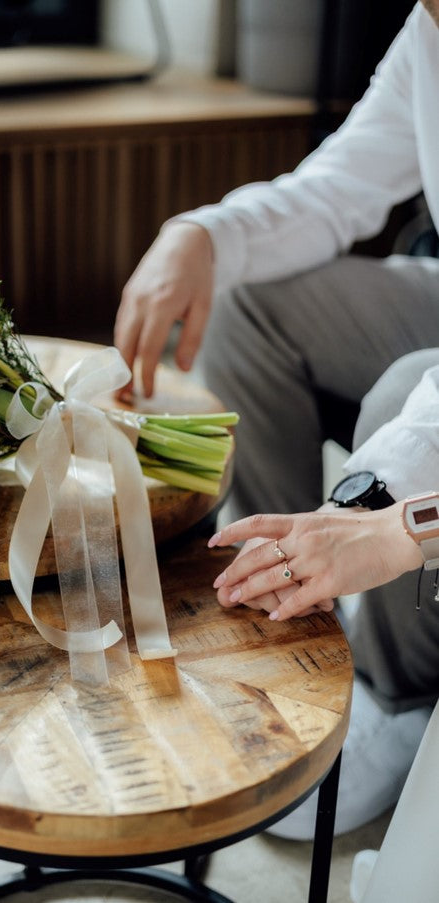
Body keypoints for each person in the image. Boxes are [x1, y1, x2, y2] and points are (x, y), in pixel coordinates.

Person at [114, 0, 439, 840]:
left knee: (402, 394)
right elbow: (341, 184)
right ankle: (285, 607)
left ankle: (398, 691)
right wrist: (199, 233)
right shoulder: (428, 28)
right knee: (241, 295)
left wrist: (375, 500)